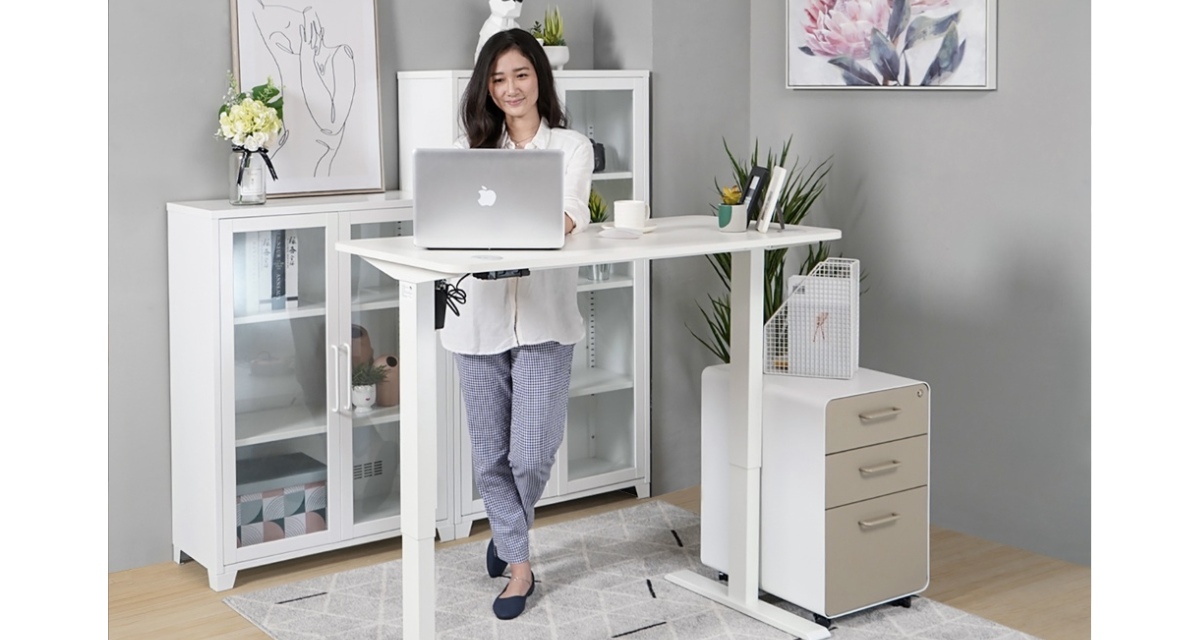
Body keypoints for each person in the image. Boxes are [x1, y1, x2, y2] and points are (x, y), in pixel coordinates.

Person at [441, 28, 594, 621]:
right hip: (476, 323)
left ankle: (507, 530)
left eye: (521, 75)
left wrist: (505, 227)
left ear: (540, 78)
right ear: (487, 85)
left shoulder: (572, 148)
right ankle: (520, 566)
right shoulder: (466, 151)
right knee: (489, 456)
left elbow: (567, 218)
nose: (510, 88)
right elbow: (451, 225)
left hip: (545, 320)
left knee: (530, 453)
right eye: (498, 78)